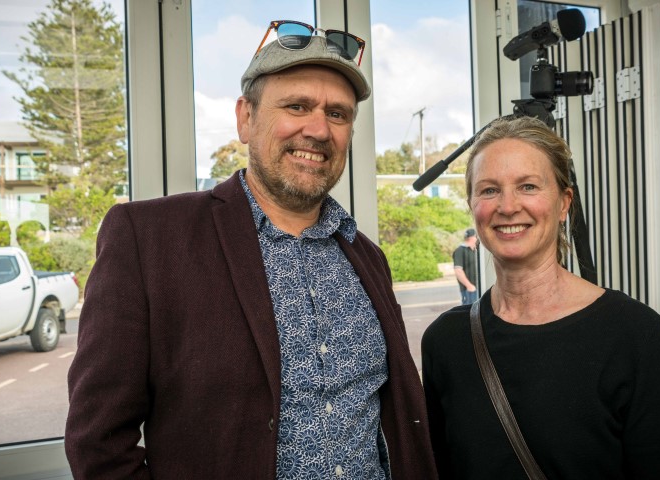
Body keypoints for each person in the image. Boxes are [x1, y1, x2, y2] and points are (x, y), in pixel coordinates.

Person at [65, 22, 437, 480]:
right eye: (297, 106)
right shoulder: (148, 238)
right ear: (246, 118)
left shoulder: (367, 256)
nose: (318, 129)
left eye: (338, 114)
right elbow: (98, 441)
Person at [421, 115, 660, 479]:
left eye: (528, 186)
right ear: (472, 204)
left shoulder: (636, 336)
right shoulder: (446, 342)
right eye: (489, 190)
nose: (507, 206)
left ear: (564, 203)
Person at [452, 227, 478, 304]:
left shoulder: (475, 250)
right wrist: (469, 286)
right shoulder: (460, 250)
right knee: (468, 313)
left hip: (478, 289)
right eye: (476, 236)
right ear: (472, 237)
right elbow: (458, 271)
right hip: (469, 291)